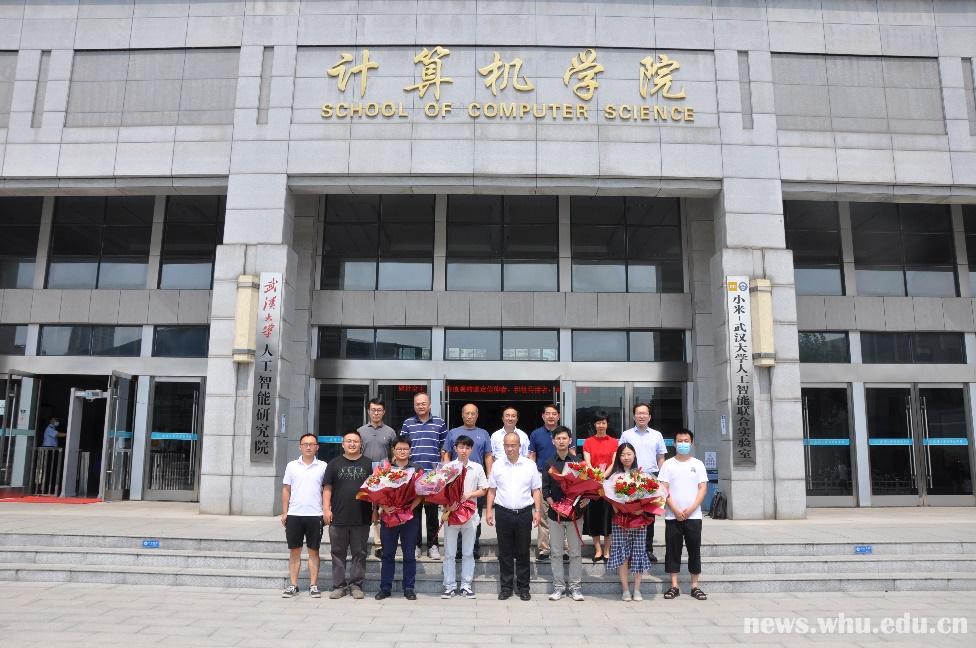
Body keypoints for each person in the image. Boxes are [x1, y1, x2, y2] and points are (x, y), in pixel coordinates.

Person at [486, 431, 541, 601]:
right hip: (503, 513)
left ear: (520, 446)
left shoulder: (530, 465)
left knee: (523, 551)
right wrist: (489, 510)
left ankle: (524, 588)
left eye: (513, 445)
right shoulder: (497, 465)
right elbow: (492, 490)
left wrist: (537, 511)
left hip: (524, 513)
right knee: (505, 552)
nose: (509, 448)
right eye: (506, 445)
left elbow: (536, 490)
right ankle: (506, 587)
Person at [659, 428, 708, 601]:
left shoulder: (698, 464)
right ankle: (674, 586)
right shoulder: (668, 464)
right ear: (674, 443)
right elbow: (663, 488)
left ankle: (695, 586)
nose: (683, 444)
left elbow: (703, 488)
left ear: (692, 443)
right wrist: (675, 509)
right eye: (680, 441)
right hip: (673, 516)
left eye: (686, 441)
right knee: (673, 550)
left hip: (693, 516)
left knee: (694, 549)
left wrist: (692, 508)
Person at [322, 430, 373, 600]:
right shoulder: (334, 463)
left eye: (355, 441)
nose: (352, 444)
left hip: (362, 516)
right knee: (337, 553)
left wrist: (375, 511)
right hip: (338, 516)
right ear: (343, 444)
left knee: (360, 553)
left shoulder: (368, 463)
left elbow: (375, 489)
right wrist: (326, 509)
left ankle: (356, 585)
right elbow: (327, 487)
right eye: (349, 441)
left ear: (360, 444)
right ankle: (339, 586)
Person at [441, 402, 492, 560]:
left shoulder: (483, 433)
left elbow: (488, 456)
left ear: (477, 415)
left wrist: (489, 477)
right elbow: (446, 454)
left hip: (475, 480)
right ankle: (457, 549)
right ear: (462, 415)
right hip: (455, 481)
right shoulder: (453, 432)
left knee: (475, 515)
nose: (469, 416)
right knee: (455, 513)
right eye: (467, 413)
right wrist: (446, 474)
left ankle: (473, 547)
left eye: (473, 413)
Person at [541, 426, 586, 601]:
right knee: (556, 552)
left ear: (570, 441)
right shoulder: (548, 463)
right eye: (558, 438)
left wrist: (586, 500)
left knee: (575, 552)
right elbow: (545, 489)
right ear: (553, 441)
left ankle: (575, 588)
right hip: (556, 515)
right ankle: (558, 587)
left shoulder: (578, 462)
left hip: (575, 514)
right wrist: (553, 505)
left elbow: (586, 487)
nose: (561, 441)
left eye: (564, 438)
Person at [400, 391, 447, 559]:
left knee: (432, 514)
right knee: (414, 513)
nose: (420, 406)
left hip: (432, 476)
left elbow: (444, 449)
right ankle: (416, 545)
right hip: (413, 475)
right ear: (414, 406)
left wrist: (443, 473)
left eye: (423, 403)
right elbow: (402, 448)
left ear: (429, 404)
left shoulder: (440, 423)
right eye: (417, 404)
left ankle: (433, 546)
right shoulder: (408, 423)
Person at [280, 433, 328, 598]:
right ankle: (293, 585)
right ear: (300, 446)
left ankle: (313, 585)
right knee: (295, 551)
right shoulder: (292, 466)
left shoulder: (323, 466)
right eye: (305, 444)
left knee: (314, 551)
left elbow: (327, 490)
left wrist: (326, 510)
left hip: (315, 514)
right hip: (294, 514)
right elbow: (286, 489)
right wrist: (285, 512)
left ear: (317, 447)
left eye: (312, 444)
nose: (308, 447)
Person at [375, 437, 423, 601]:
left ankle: (409, 588)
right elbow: (375, 489)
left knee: (409, 554)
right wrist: (383, 506)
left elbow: (421, 494)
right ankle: (385, 588)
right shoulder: (385, 468)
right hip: (389, 516)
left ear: (410, 450)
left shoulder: (416, 469)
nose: (402, 451)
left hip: (410, 518)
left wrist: (408, 509)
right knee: (388, 554)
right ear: (393, 450)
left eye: (405, 449)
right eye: (399, 449)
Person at [441, 435, 488, 599]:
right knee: (449, 552)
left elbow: (484, 489)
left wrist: (469, 495)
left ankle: (466, 585)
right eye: (461, 447)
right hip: (452, 513)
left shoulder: (477, 467)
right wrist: (447, 506)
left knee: (468, 552)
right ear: (455, 448)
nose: (464, 450)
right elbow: (441, 491)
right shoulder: (448, 467)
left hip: (470, 513)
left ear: (471, 450)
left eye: (467, 448)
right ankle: (449, 585)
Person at [619, 402, 667, 562]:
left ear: (649, 416)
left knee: (649, 515)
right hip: (631, 478)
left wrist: (661, 479)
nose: (641, 416)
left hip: (651, 477)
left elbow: (661, 457)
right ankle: (631, 549)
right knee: (631, 513)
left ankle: (647, 549)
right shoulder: (626, 434)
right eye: (638, 413)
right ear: (634, 416)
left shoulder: (657, 435)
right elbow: (621, 455)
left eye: (644, 413)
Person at [606, 442, 652, 602]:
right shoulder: (614, 477)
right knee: (622, 555)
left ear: (634, 455)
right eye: (623, 454)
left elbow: (651, 497)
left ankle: (637, 589)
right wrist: (619, 508)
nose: (626, 457)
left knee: (638, 553)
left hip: (639, 519)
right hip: (620, 520)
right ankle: (625, 589)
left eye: (629, 454)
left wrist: (642, 508)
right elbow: (611, 498)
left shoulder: (642, 476)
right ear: (618, 457)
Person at [358, 397, 398, 558]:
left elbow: (394, 453)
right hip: (364, 474)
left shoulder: (390, 432)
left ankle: (379, 544)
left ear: (384, 412)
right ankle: (360, 543)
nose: (376, 413)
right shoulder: (360, 431)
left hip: (383, 476)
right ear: (368, 411)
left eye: (379, 410)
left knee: (380, 510)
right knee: (364, 509)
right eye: (373, 410)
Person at [582, 409, 617, 563]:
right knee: (593, 516)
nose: (601, 425)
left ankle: (607, 550)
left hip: (608, 484)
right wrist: (596, 475)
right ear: (594, 424)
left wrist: (604, 476)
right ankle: (598, 550)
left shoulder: (614, 442)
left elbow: (614, 462)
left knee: (608, 517)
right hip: (592, 484)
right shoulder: (588, 442)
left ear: (607, 424)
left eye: (603, 422)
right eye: (598, 423)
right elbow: (587, 462)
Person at [528, 403, 560, 561]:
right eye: (548, 413)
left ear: (558, 416)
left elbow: (573, 454)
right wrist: (533, 476)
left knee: (564, 512)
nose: (551, 416)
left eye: (554, 413)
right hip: (542, 476)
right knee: (542, 513)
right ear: (543, 416)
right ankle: (543, 549)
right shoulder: (536, 434)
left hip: (562, 477)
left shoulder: (563, 433)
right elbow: (532, 456)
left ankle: (563, 548)